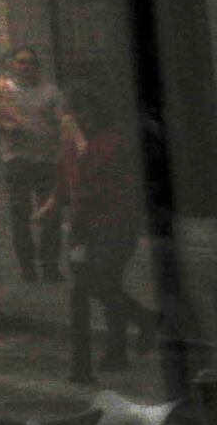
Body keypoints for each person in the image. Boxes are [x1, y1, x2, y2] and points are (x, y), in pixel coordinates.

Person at [60, 90, 150, 364]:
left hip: (113, 222)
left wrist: (78, 140)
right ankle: (140, 324)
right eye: (71, 113)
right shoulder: (73, 147)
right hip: (84, 224)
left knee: (105, 282)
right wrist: (51, 206)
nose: (76, 119)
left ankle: (119, 346)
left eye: (81, 112)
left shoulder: (111, 142)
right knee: (90, 283)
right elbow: (68, 181)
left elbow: (95, 175)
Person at [0, 40, 60, 286]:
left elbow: (61, 122)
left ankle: (50, 266)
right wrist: (4, 125)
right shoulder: (3, 91)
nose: (26, 67)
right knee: (20, 215)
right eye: (21, 62)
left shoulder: (50, 92)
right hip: (17, 160)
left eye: (31, 63)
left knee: (51, 215)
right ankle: (28, 268)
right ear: (13, 65)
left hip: (46, 159)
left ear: (38, 67)